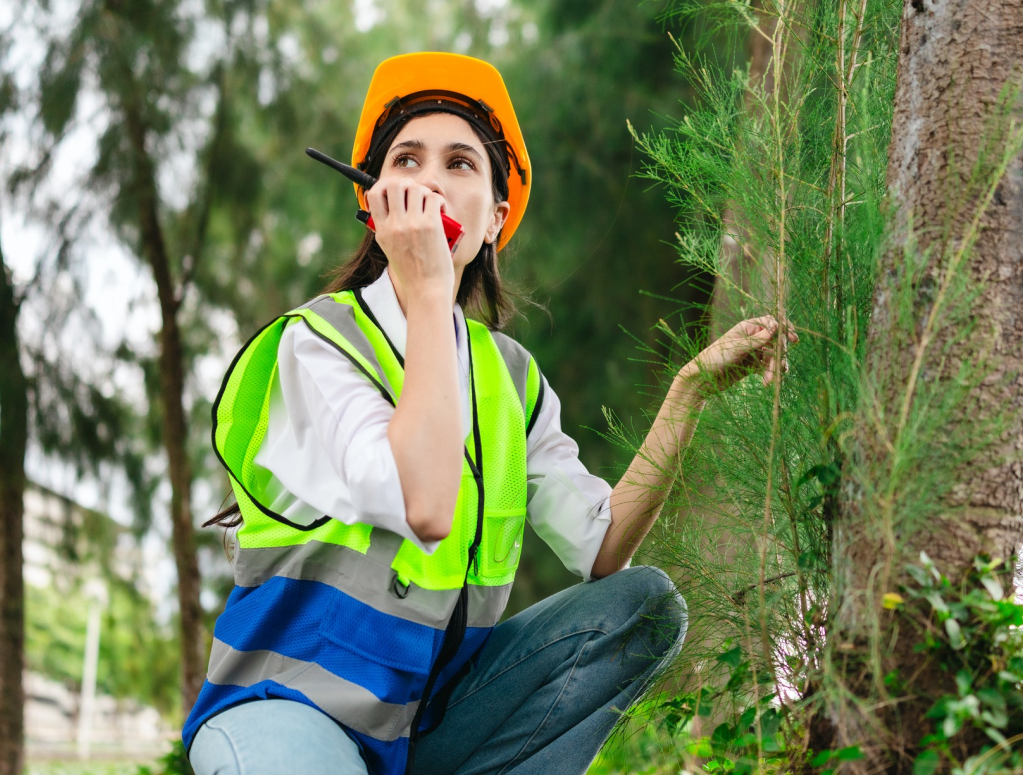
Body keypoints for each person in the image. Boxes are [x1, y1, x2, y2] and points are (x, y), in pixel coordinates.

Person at [182, 52, 795, 775]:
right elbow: (423, 504)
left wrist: (689, 391)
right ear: (375, 203)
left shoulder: (512, 379)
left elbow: (600, 549)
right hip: (287, 707)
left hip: (424, 732)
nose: (429, 180)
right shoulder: (316, 344)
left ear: (496, 217)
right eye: (406, 161)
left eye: (460, 164)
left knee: (642, 607)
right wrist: (429, 289)